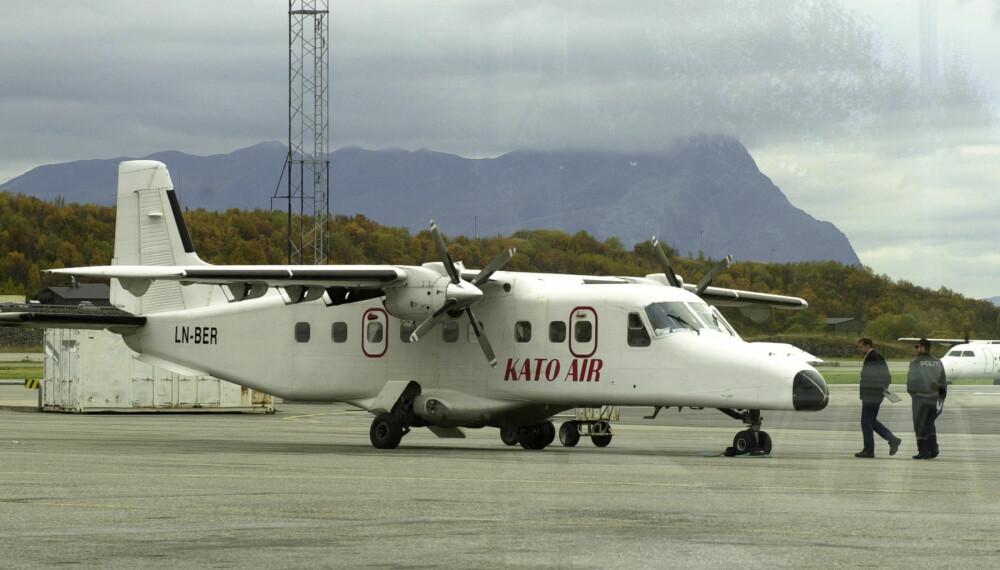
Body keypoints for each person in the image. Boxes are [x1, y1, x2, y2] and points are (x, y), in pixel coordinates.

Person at [854, 338, 901, 458]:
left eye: (861, 347)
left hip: (871, 394)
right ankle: (892, 439)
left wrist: (879, 388)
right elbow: (887, 376)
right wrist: (883, 388)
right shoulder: (879, 357)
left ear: (867, 346)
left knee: (866, 422)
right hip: (877, 394)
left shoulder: (872, 358)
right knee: (871, 421)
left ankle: (869, 449)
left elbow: (873, 376)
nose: (859, 349)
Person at [906, 338, 948, 459]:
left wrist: (913, 394)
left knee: (919, 425)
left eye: (918, 347)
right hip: (933, 399)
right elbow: (943, 381)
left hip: (920, 398)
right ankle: (933, 448)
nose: (917, 350)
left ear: (923, 347)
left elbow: (911, 380)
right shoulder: (938, 362)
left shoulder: (916, 362)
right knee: (930, 424)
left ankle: (923, 451)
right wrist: (941, 397)